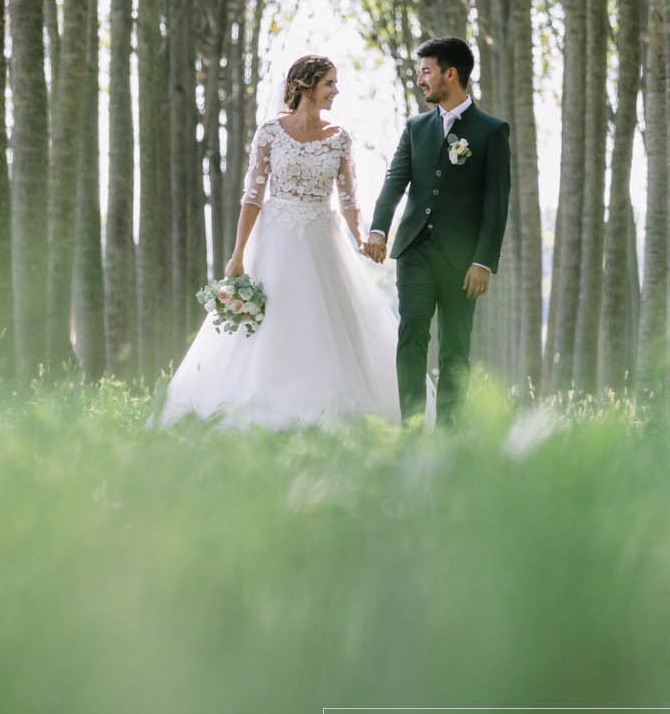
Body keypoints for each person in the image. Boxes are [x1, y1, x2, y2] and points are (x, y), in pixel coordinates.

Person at [152, 55, 401, 430]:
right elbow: (252, 196)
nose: (336, 91)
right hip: (275, 239)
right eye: (330, 83)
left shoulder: (340, 138)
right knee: (271, 320)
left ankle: (327, 406)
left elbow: (349, 199)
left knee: (324, 320)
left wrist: (360, 238)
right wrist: (238, 255)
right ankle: (259, 403)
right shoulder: (269, 132)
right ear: (306, 86)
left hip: (322, 239)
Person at [362, 36, 512, 427]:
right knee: (411, 336)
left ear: (451, 74)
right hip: (414, 253)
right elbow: (395, 182)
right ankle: (411, 427)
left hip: (464, 262)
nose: (419, 80)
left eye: (426, 71)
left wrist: (484, 261)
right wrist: (379, 229)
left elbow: (496, 204)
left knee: (455, 351)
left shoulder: (492, 131)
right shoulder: (415, 127)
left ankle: (449, 436)